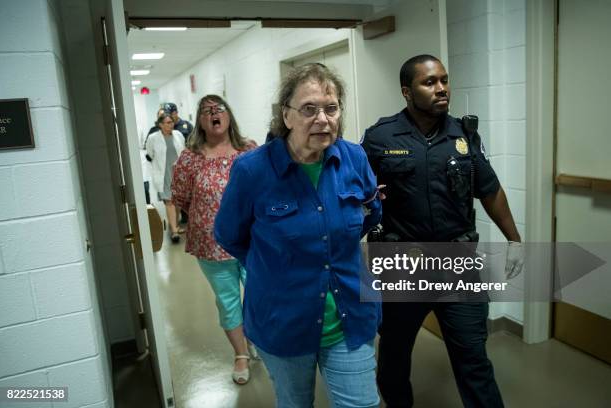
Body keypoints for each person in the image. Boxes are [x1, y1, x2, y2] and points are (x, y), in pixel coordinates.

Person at [215, 63, 382, 407]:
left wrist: (331, 247)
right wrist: (273, 264)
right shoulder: (252, 170)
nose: (322, 118)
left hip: (350, 317)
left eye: (331, 108)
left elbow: (369, 212)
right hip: (283, 322)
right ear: (286, 116)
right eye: (309, 109)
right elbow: (229, 235)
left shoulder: (354, 157)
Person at [361, 54, 524, 408]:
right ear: (407, 91)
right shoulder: (379, 137)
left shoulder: (463, 134)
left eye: (444, 80)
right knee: (393, 358)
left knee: (474, 361)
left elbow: (490, 189)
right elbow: (358, 194)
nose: (441, 89)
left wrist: (515, 239)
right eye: (429, 82)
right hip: (403, 265)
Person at [171, 95, 258, 385]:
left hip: (253, 241)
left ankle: (258, 336)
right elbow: (181, 198)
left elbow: (265, 188)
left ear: (229, 115)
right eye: (206, 111)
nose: (214, 113)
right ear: (199, 121)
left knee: (260, 292)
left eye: (219, 108)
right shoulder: (190, 158)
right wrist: (209, 217)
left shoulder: (249, 150)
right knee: (228, 300)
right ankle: (241, 354)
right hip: (211, 245)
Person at [146, 113, 185, 243]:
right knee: (169, 201)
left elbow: (183, 152)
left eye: (171, 122)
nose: (170, 125)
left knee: (178, 201)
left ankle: (175, 224)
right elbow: (149, 154)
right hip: (163, 173)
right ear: (160, 125)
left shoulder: (178, 135)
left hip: (178, 173)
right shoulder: (153, 138)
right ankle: (174, 231)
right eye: (167, 122)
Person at [163, 102, 193, 225]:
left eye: (172, 114)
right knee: (174, 192)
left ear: (176, 113)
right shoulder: (166, 128)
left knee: (188, 190)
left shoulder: (186, 125)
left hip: (187, 162)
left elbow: (195, 140)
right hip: (171, 165)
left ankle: (188, 216)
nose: (170, 117)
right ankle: (177, 219)